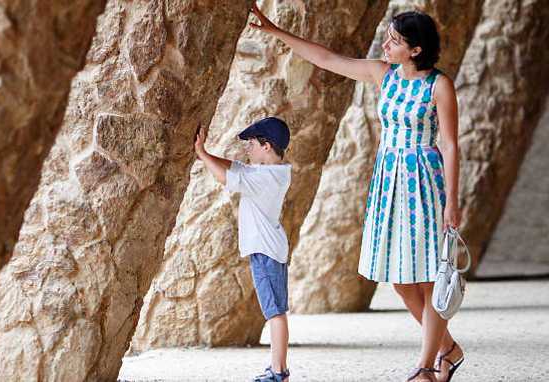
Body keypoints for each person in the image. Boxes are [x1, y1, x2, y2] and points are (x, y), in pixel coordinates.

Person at [248, 3, 464, 381]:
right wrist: (273, 29)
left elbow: (449, 145)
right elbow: (326, 58)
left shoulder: (439, 85)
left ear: (415, 49)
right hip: (389, 180)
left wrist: (453, 201)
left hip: (425, 182)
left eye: (395, 41)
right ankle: (448, 348)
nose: (386, 44)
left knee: (431, 276)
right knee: (401, 280)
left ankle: (426, 367)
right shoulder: (385, 75)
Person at [194, 117, 293, 382]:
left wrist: (202, 154)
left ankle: (279, 372)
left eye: (251, 143)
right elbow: (235, 167)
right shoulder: (274, 172)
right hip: (268, 249)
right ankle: (278, 370)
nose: (247, 148)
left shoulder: (265, 178)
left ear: (267, 146)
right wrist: (207, 155)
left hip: (266, 251)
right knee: (275, 310)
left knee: (275, 312)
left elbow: (225, 175)